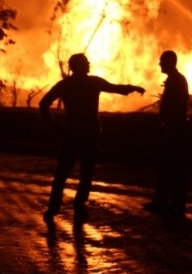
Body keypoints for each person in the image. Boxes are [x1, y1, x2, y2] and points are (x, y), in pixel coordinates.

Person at [40, 53, 145, 224]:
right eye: (86, 63)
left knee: (62, 173)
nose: (89, 64)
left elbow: (43, 104)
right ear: (80, 66)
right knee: (86, 173)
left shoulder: (65, 85)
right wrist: (133, 87)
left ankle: (53, 207)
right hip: (89, 134)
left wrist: (55, 128)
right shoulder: (93, 83)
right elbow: (116, 88)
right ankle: (79, 205)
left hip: (71, 134)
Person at [144, 50, 191, 218]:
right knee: (168, 166)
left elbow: (177, 106)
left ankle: (173, 204)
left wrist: (169, 124)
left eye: (162, 61)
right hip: (173, 127)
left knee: (173, 166)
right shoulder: (175, 80)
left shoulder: (176, 81)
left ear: (170, 63)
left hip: (175, 129)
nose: (159, 64)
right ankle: (164, 201)